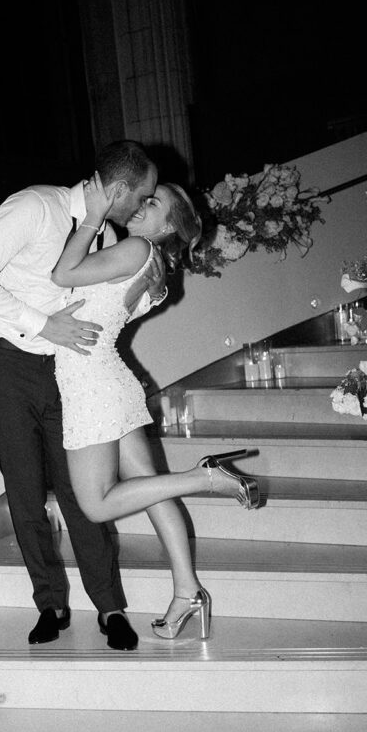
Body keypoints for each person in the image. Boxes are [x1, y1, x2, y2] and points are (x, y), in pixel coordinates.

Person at [0, 141, 165, 652]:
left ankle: (109, 606)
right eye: (142, 197)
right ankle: (50, 603)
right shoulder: (34, 206)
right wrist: (43, 324)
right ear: (119, 189)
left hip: (69, 371)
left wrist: (150, 291)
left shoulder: (106, 234)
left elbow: (109, 305)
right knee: (25, 490)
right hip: (6, 363)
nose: (143, 207)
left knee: (79, 490)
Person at [51, 173, 261, 642]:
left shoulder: (136, 249)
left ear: (168, 226)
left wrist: (92, 218)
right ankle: (187, 591)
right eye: (144, 198)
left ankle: (206, 478)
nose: (141, 205)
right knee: (151, 489)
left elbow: (62, 275)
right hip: (107, 380)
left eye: (153, 204)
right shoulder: (153, 266)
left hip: (92, 385)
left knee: (96, 505)